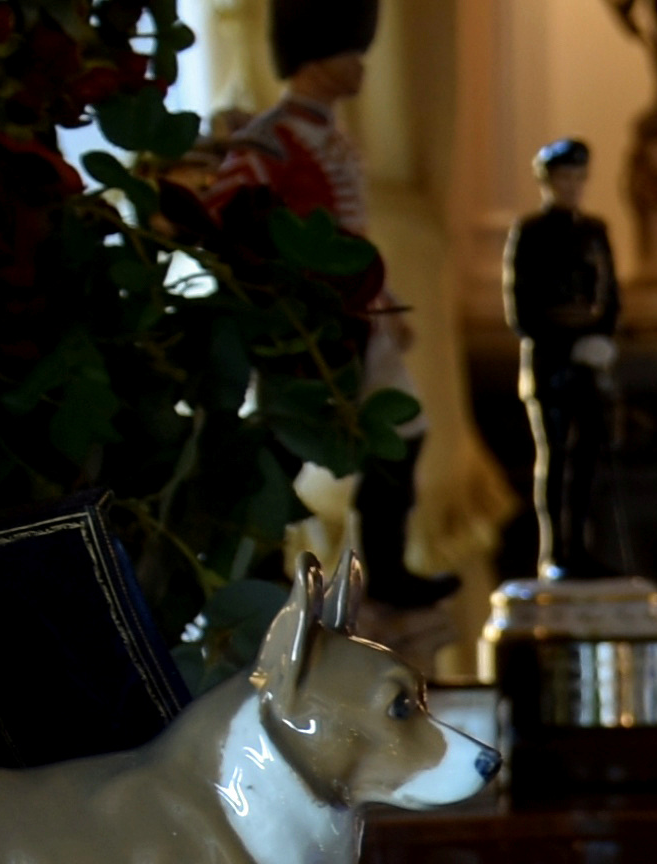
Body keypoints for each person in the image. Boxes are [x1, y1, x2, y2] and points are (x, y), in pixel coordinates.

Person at [223, 0, 458, 609]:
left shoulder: (329, 137)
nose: (360, 66)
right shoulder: (267, 140)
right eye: (349, 52)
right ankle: (257, 561)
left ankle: (388, 566)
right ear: (316, 59)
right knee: (285, 442)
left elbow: (353, 238)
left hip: (359, 314)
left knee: (403, 433)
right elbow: (235, 222)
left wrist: (383, 298)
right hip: (307, 328)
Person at [506, 140, 626, 583]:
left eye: (578, 178)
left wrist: (602, 341)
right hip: (552, 367)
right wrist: (570, 343)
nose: (572, 187)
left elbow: (610, 295)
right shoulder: (531, 233)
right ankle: (556, 551)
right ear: (549, 182)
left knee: (589, 462)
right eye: (564, 178)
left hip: (590, 367)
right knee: (556, 461)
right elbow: (523, 311)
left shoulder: (595, 232)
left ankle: (583, 547)